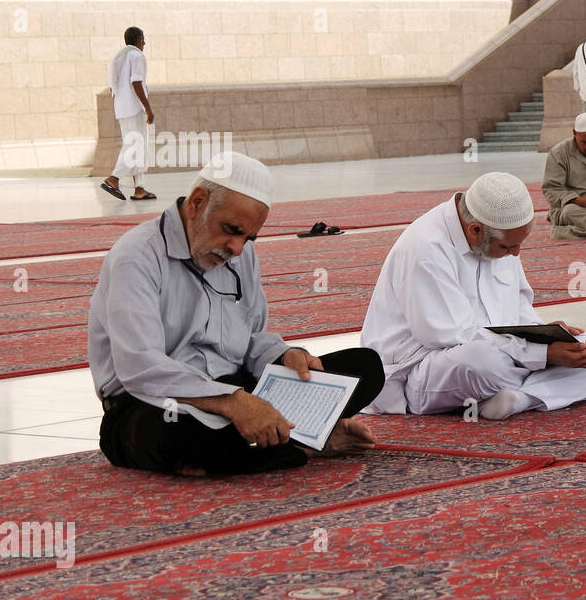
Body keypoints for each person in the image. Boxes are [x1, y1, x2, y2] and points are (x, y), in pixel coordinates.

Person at [88, 152, 384, 476]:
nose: (237, 248)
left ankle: (271, 440)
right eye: (232, 230)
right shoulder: (137, 257)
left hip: (235, 387)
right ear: (197, 203)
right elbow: (141, 367)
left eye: (248, 237)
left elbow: (252, 337)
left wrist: (285, 355)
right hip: (154, 403)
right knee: (187, 435)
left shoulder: (241, 254)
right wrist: (232, 403)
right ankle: (304, 443)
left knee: (365, 366)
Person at [360, 171, 586, 420]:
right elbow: (449, 336)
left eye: (519, 245)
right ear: (476, 230)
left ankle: (516, 400)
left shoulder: (500, 238)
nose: (515, 254)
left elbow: (519, 311)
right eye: (508, 247)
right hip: (421, 368)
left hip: (505, 352)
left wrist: (544, 334)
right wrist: (540, 355)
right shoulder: (427, 248)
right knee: (482, 361)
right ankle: (542, 388)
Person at [102, 26, 157, 201]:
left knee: (137, 146)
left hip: (122, 108)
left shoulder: (121, 57)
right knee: (135, 146)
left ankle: (139, 189)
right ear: (138, 40)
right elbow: (137, 82)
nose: (144, 43)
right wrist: (147, 107)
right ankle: (114, 178)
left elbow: (114, 84)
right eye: (143, 39)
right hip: (134, 108)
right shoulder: (136, 56)